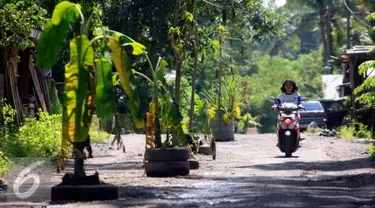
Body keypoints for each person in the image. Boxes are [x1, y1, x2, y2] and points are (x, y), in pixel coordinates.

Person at [272, 79, 305, 147]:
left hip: (294, 112)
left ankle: (298, 136)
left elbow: (299, 102)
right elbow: (277, 103)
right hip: (283, 113)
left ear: (293, 86)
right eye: (286, 85)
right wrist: (275, 106)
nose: (288, 86)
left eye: (290, 85)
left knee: (298, 118)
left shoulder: (297, 94)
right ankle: (279, 139)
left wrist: (300, 106)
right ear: (284, 86)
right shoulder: (281, 95)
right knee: (279, 122)